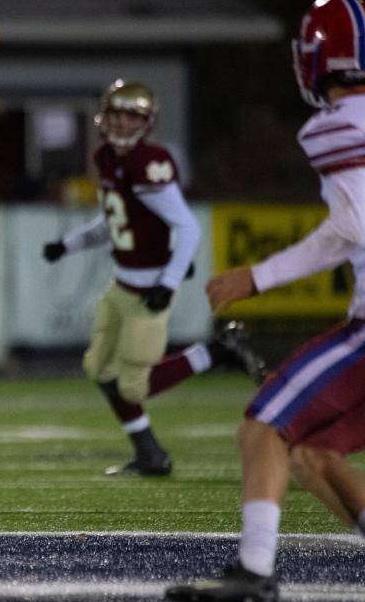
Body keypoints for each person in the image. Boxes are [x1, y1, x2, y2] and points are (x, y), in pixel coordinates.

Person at [166, 0, 365, 602]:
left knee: (265, 424)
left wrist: (261, 275)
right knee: (315, 454)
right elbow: (349, 224)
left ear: (315, 57)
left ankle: (254, 571)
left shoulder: (341, 123)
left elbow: (356, 224)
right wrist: (262, 275)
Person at [42, 80, 267, 476]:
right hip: (121, 285)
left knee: (133, 386)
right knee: (99, 368)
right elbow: (115, 220)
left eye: (133, 116)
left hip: (149, 289)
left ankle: (217, 351)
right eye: (117, 113)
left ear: (146, 123)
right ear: (103, 116)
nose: (123, 123)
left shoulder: (150, 161)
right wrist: (69, 244)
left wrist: (168, 281)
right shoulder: (105, 157)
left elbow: (188, 227)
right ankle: (149, 453)